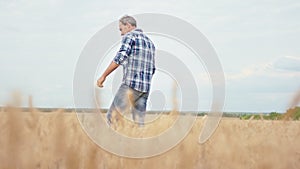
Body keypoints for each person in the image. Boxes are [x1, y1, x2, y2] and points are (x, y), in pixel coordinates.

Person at [97, 15, 156, 126]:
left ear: (128, 25)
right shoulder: (150, 42)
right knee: (139, 125)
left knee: (112, 117)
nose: (121, 33)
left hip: (130, 86)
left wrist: (103, 76)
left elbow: (120, 57)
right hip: (145, 89)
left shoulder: (130, 36)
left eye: (121, 29)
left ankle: (113, 143)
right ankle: (142, 143)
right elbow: (152, 68)